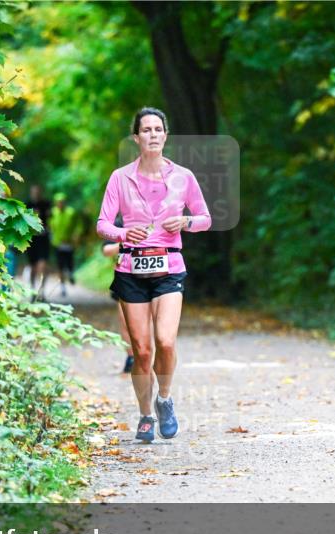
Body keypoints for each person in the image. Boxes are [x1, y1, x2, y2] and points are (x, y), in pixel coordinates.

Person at [96, 107, 211, 442]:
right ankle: (145, 415)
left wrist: (186, 222)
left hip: (169, 267)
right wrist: (122, 233)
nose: (152, 135)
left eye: (158, 129)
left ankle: (165, 399)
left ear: (166, 135)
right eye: (145, 130)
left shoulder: (183, 177)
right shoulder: (120, 177)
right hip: (131, 269)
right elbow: (103, 224)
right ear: (136, 137)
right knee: (142, 350)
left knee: (166, 341)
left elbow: (204, 217)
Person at [102, 240, 135, 373]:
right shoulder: (118, 222)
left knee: (147, 320)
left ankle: (145, 355)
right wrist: (126, 243)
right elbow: (106, 250)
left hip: (152, 278)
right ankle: (132, 356)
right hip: (125, 276)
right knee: (125, 321)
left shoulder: (156, 220)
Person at [24, 184, 52, 300]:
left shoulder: (47, 204)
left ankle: (42, 292)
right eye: (33, 192)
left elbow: (52, 219)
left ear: (40, 192)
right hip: (32, 239)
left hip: (43, 238)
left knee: (43, 265)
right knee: (33, 267)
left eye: (37, 191)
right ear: (31, 193)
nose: (36, 194)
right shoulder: (26, 205)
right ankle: (32, 291)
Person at [49, 194, 79, 297]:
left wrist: (76, 236)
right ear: (56, 203)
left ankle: (71, 274)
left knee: (70, 263)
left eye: (62, 202)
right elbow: (50, 225)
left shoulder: (71, 212)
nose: (60, 204)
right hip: (58, 243)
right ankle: (62, 288)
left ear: (65, 202)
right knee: (60, 266)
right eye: (58, 202)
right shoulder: (53, 212)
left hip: (69, 242)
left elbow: (77, 225)